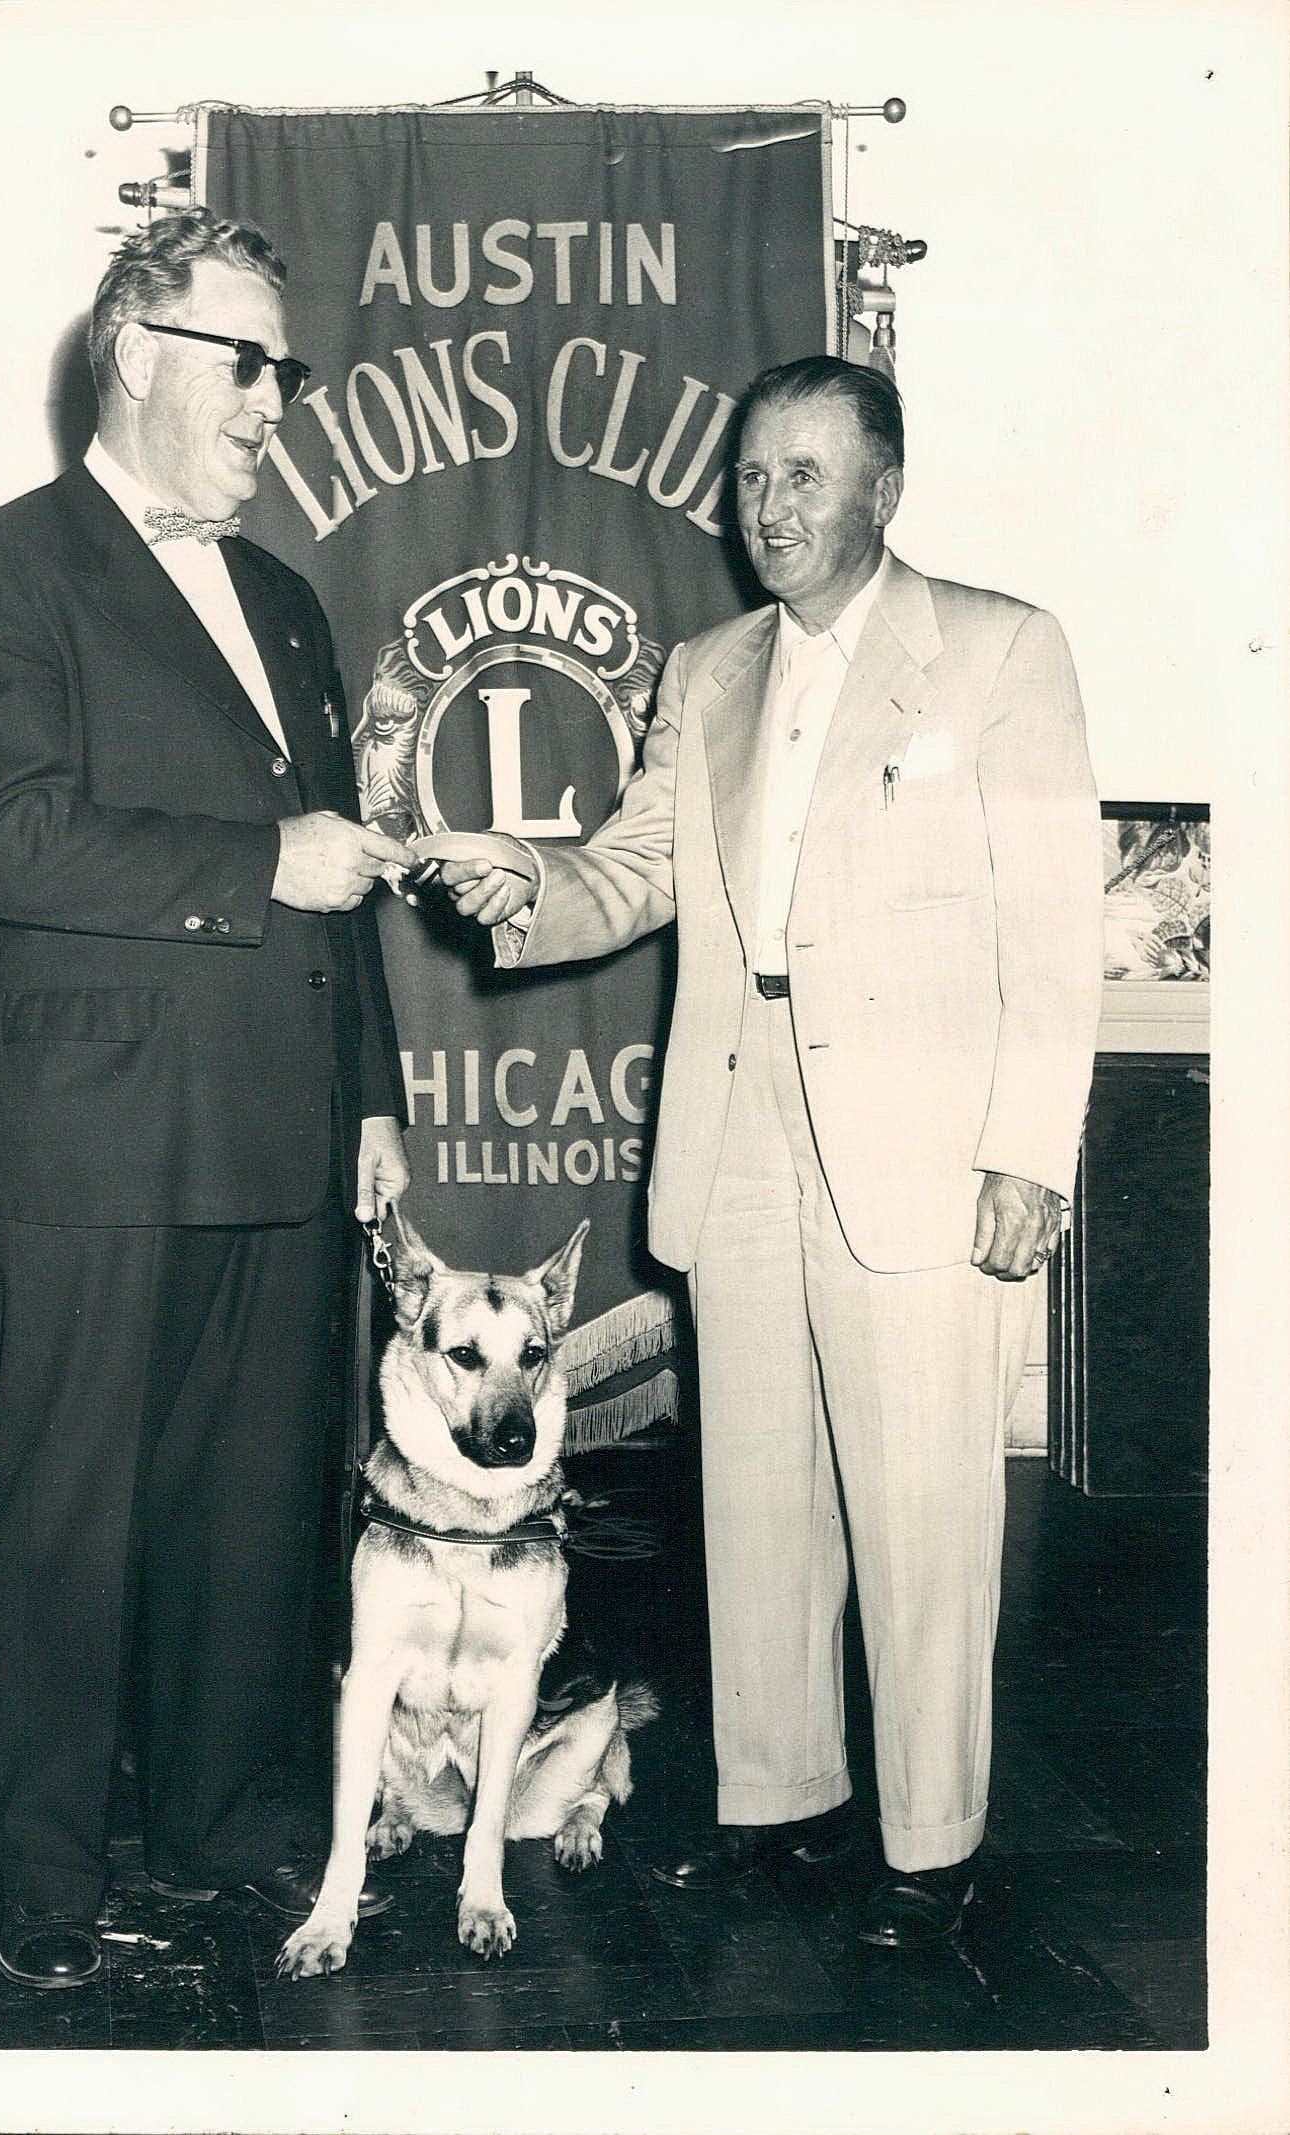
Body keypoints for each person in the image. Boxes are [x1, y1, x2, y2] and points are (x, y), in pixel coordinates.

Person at [435, 355, 1102, 1949]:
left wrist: (1028, 1151)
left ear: (885, 488)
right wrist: (529, 891)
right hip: (735, 1124)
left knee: (923, 1505)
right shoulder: (706, 668)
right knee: (755, 1490)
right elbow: (638, 866)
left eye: (806, 474)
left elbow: (1054, 925)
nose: (769, 506)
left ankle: (928, 1852)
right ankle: (778, 1803)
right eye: (750, 477)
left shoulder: (996, 652)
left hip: (923, 1145)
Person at [0, 209, 414, 1990]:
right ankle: (47, 1886)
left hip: (282, 1126)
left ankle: (219, 1839)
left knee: (251, 1510)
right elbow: (0, 836)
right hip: (94, 1133)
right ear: (138, 353)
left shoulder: (282, 598)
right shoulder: (1, 568)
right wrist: (253, 862)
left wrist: (372, 1093)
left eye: (286, 370)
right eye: (247, 363)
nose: (276, 403)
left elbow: (337, 876)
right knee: (63, 1515)